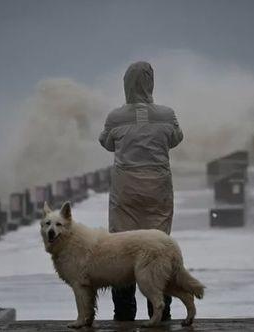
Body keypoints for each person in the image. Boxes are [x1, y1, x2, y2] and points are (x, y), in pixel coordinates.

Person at [98, 61, 184, 321]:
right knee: (157, 249)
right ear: (151, 83)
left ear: (127, 84)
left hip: (126, 192)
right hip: (158, 190)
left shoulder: (115, 116)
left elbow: (106, 142)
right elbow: (176, 138)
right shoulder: (167, 114)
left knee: (122, 249)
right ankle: (160, 313)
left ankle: (123, 314)